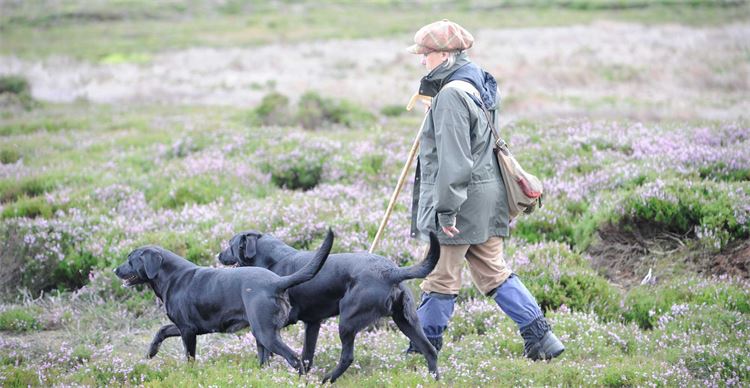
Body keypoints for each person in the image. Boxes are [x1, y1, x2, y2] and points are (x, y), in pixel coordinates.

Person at [404, 19, 564, 361]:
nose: (421, 60)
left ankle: (422, 350)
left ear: (445, 54)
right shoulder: (477, 82)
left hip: (460, 204)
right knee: (494, 271)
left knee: (440, 277)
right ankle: (542, 339)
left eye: (426, 54)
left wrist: (445, 210)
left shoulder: (450, 96)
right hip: (485, 198)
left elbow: (455, 161)